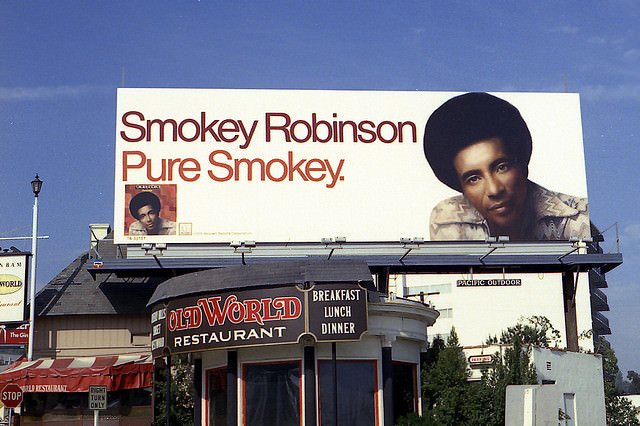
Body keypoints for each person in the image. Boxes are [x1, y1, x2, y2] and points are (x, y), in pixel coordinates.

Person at [423, 92, 590, 241]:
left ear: (523, 167)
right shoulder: (448, 217)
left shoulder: (579, 216)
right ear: (462, 188)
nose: (494, 190)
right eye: (473, 179)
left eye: (501, 167)